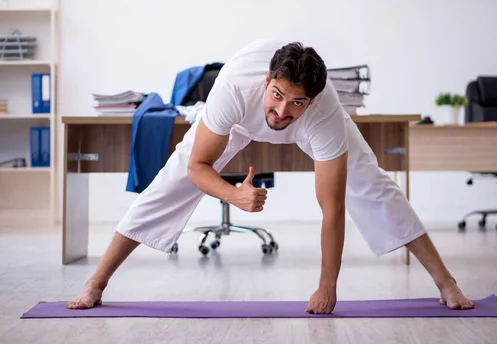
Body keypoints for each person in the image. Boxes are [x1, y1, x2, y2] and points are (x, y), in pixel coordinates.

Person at [67, 39, 474, 314]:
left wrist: (327, 287)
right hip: (241, 118)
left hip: (312, 124)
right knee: (169, 181)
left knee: (375, 185)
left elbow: (331, 210)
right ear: (266, 81)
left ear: (311, 100)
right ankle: (97, 283)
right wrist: (232, 194)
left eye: (296, 103)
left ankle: (446, 283)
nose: (282, 111)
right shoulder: (232, 88)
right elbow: (196, 168)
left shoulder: (324, 113)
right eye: (278, 96)